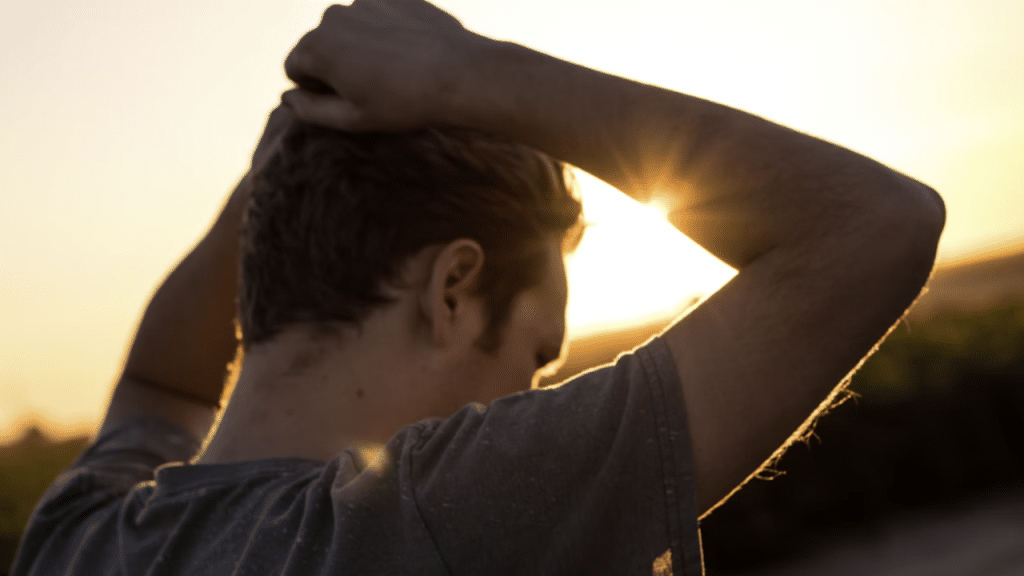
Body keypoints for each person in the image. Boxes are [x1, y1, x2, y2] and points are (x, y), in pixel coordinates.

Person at [12, 1, 945, 574]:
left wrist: (274, 171)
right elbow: (875, 227)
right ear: (452, 289)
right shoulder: (429, 522)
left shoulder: (84, 535)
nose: (532, 396)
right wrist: (463, 74)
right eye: (538, 358)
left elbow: (159, 390)